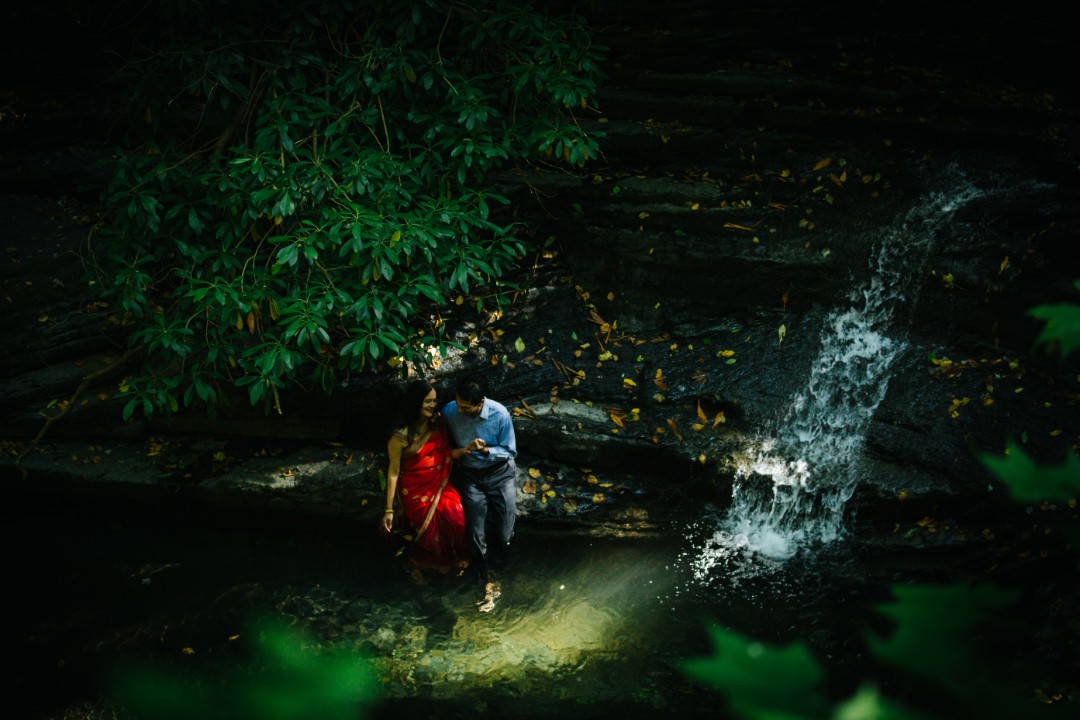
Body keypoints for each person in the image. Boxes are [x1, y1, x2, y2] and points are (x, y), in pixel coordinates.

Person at [381, 379, 472, 578]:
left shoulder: (437, 423)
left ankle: (454, 558)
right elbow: (393, 471)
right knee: (429, 532)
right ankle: (420, 563)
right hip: (414, 490)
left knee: (456, 515)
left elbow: (444, 453)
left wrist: (465, 451)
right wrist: (389, 509)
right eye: (427, 401)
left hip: (439, 483)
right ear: (415, 403)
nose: (432, 405)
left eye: (434, 401)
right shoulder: (400, 435)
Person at [443, 377, 518, 612]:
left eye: (466, 407)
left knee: (505, 531)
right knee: (475, 532)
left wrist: (486, 450)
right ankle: (482, 578)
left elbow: (510, 451)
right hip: (471, 476)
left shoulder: (500, 414)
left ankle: (501, 573)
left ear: (480, 403)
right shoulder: (449, 411)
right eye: (458, 404)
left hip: (500, 474)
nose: (460, 410)